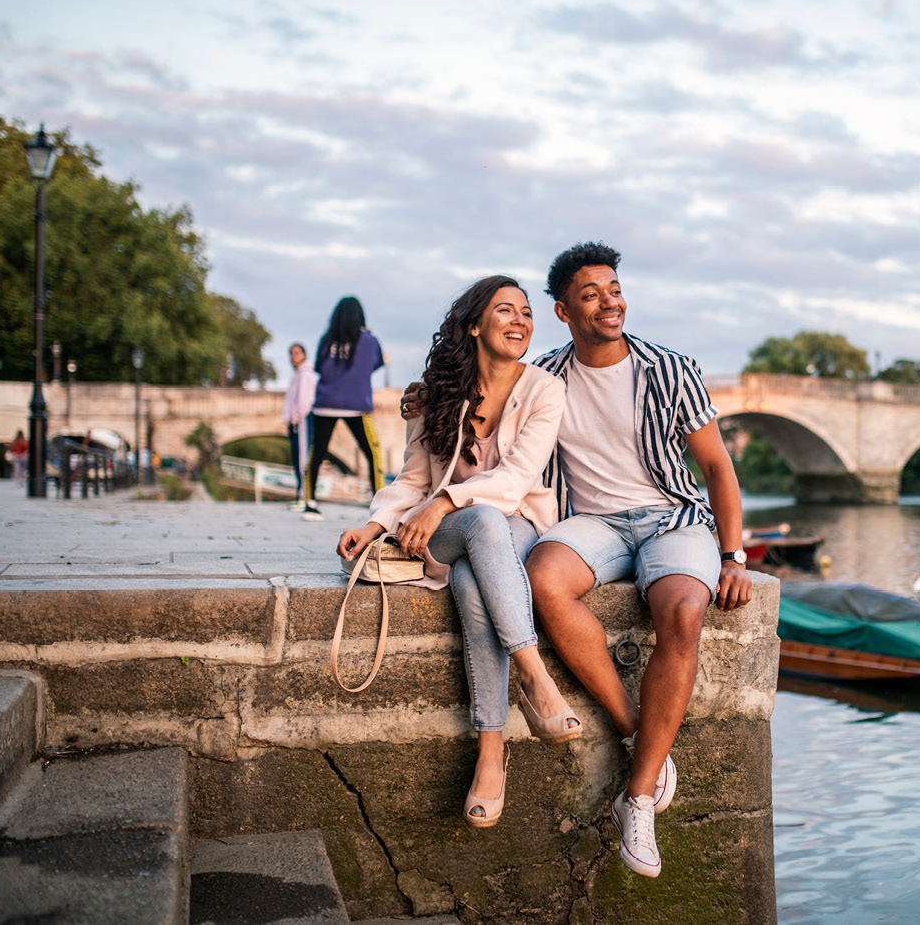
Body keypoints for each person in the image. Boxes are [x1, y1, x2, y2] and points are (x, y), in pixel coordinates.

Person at [403, 243, 754, 878]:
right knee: (540, 579)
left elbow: (718, 470)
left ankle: (638, 798)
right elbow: (481, 399)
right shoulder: (543, 377)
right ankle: (634, 730)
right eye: (590, 295)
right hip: (589, 526)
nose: (609, 302)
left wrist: (733, 554)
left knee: (681, 613)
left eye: (614, 289)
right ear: (565, 311)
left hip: (670, 515)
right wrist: (425, 393)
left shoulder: (671, 369)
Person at [337, 274, 580, 829]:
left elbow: (517, 480)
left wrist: (446, 501)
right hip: (442, 531)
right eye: (505, 311)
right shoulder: (434, 394)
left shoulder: (545, 389)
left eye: (525, 312)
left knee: (476, 573)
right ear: (475, 325)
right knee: (481, 528)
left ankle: (491, 754)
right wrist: (376, 523)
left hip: (513, 523)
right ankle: (536, 676)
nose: (520, 321)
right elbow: (411, 479)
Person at [304, 296, 384, 521]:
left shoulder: (326, 339)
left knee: (317, 453)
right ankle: (378, 502)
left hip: (325, 403)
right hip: (355, 405)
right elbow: (375, 364)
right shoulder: (369, 341)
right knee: (372, 452)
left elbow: (319, 367)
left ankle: (310, 502)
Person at [281, 342, 318, 510]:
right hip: (296, 422)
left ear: (303, 355)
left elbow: (305, 401)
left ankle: (304, 495)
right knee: (297, 458)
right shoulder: (297, 374)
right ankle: (300, 493)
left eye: (296, 353)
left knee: (303, 458)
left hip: (302, 421)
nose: (293, 357)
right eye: (291, 353)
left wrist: (295, 418)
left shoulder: (305, 375)